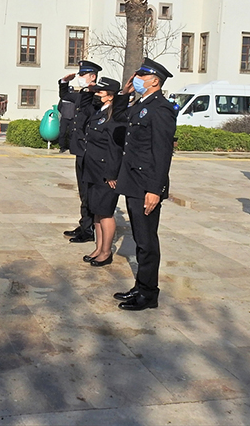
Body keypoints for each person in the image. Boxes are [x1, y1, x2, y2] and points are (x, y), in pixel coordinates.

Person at [112, 58, 177, 311]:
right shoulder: (142, 104)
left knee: (147, 241)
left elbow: (162, 154)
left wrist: (155, 189)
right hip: (133, 182)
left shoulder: (161, 109)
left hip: (146, 184)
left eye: (141, 75)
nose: (136, 78)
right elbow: (118, 117)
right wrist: (124, 93)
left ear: (154, 81)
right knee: (140, 238)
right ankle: (141, 286)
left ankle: (149, 294)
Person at [80, 77, 126, 267]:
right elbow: (83, 106)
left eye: (100, 92)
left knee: (105, 213)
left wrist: (112, 174)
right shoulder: (99, 111)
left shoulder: (115, 115)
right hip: (92, 170)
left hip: (106, 172)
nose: (96, 95)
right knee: (96, 212)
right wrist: (88, 90)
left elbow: (115, 148)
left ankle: (106, 252)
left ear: (110, 97)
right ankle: (99, 248)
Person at [59, 60, 102, 243]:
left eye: (83, 75)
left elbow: (89, 108)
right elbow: (66, 95)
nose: (80, 78)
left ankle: (89, 228)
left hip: (89, 151)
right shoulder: (83, 94)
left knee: (88, 191)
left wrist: (91, 90)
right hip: (80, 150)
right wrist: (63, 81)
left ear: (92, 77)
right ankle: (84, 223)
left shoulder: (98, 97)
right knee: (83, 191)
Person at [57, 88, 75, 154]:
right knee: (62, 133)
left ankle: (71, 147)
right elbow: (59, 107)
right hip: (64, 118)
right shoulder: (63, 99)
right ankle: (62, 147)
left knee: (72, 134)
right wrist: (63, 112)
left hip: (72, 118)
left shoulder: (75, 99)